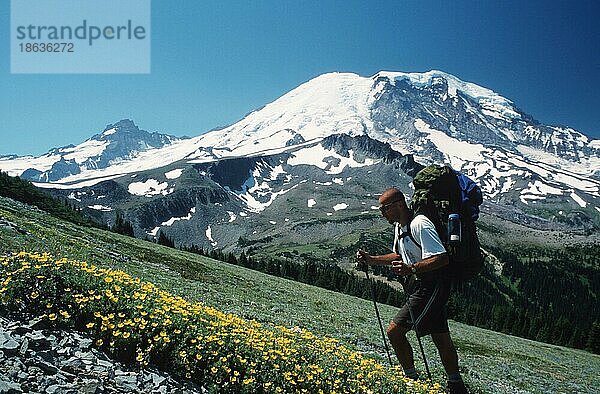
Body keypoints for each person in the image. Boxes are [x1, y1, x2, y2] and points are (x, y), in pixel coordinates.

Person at [356, 187, 468, 394]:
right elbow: (398, 255)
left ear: (399, 205)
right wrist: (372, 260)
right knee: (440, 336)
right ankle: (456, 385)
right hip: (422, 285)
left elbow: (442, 258)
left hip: (431, 286)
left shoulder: (420, 224)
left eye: (385, 209)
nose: (383, 214)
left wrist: (412, 269)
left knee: (394, 332)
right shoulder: (400, 227)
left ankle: (411, 380)